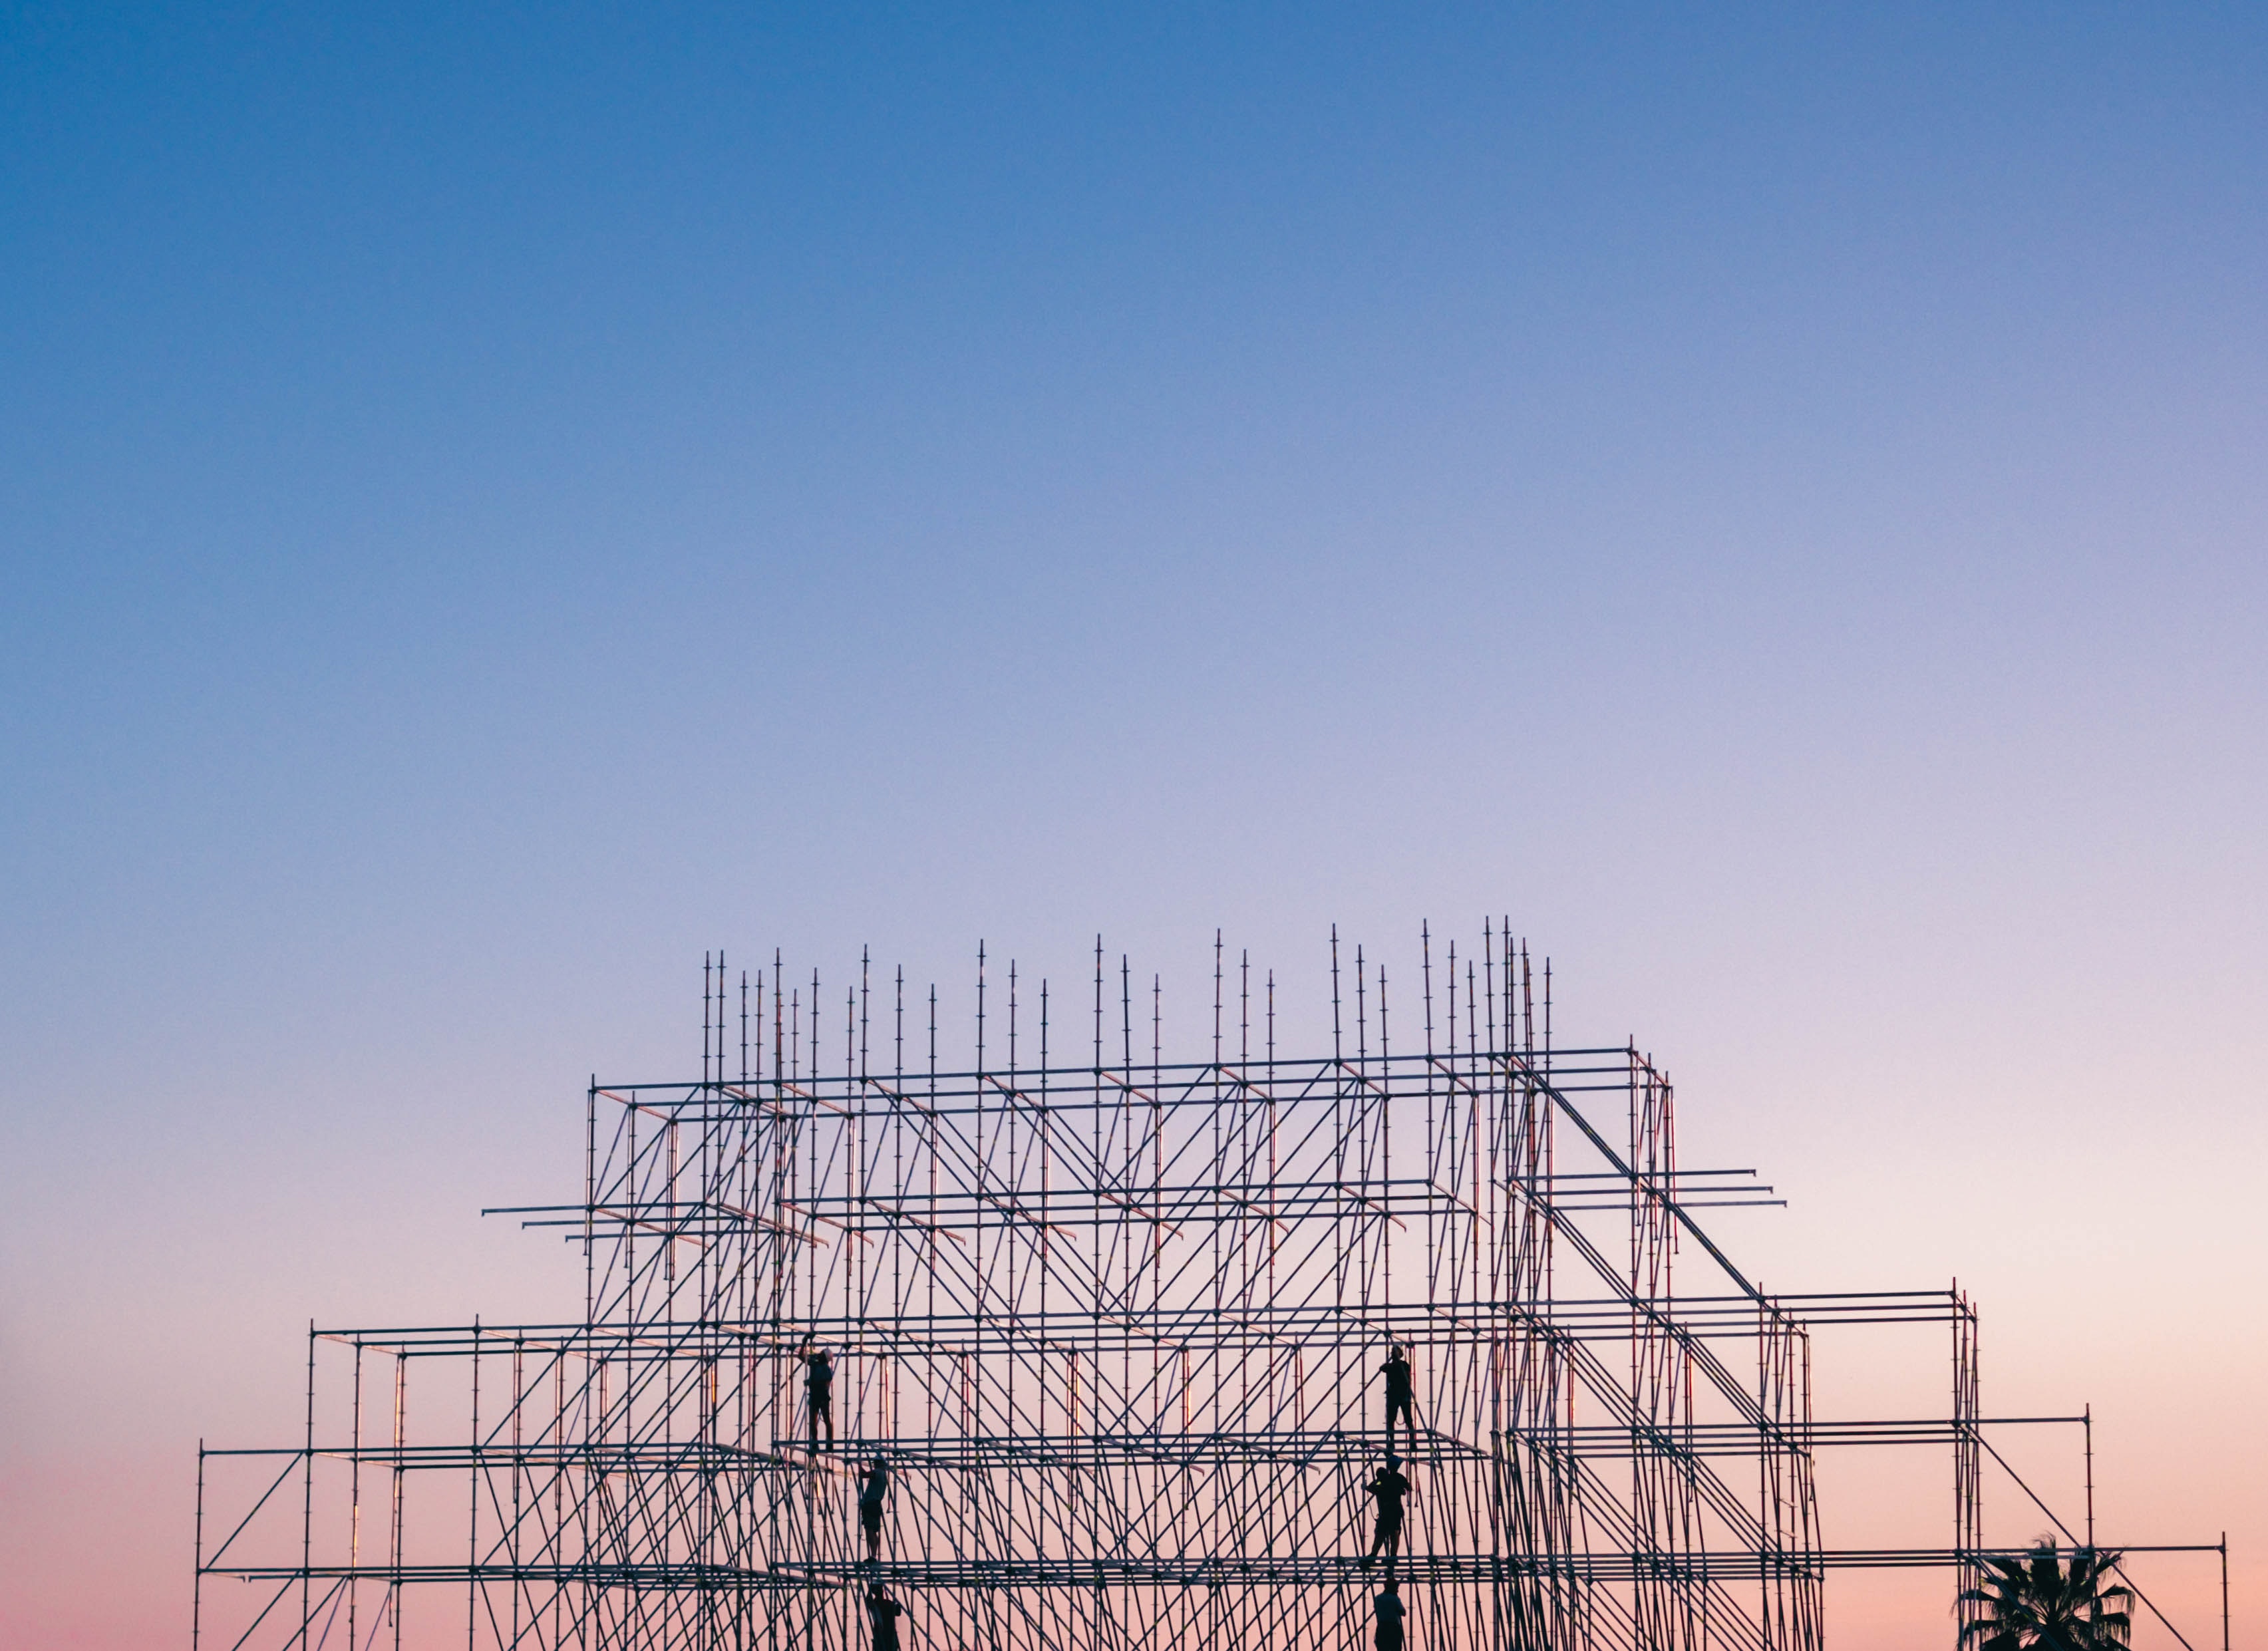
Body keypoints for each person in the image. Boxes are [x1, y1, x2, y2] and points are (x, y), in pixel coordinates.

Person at [1361, 1451, 1410, 1569]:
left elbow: (1373, 1487)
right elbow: (1408, 1488)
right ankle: (1392, 1556)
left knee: (1382, 1533)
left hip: (1389, 1510)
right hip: (1394, 1510)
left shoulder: (1385, 1479)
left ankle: (1375, 1555)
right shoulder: (1396, 1478)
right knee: (1392, 1532)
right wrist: (1400, 1488)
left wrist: (1370, 1487)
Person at [1380, 1343, 1416, 1443]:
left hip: (1402, 1394)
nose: (1393, 1354)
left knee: (1407, 1419)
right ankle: (1393, 1441)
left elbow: (1408, 1379)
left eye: (1394, 1353)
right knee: (1392, 1419)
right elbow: (1382, 1368)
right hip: (1396, 1395)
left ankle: (1411, 1440)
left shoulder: (1403, 1365)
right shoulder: (1393, 1366)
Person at [859, 1455, 891, 1560]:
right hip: (876, 1504)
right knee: (873, 1530)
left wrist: (859, 1464)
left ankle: (873, 1555)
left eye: (876, 1463)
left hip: (871, 1504)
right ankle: (874, 1554)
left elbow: (863, 1475)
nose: (874, 1465)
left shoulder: (878, 1472)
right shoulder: (884, 1475)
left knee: (869, 1529)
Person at [806, 1346, 835, 1447]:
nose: (819, 1354)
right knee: (813, 1421)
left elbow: (825, 1385)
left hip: (822, 1397)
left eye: (822, 1354)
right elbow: (801, 1357)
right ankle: (815, 1442)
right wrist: (804, 1343)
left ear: (825, 1358)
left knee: (826, 1419)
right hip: (815, 1396)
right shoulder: (815, 1365)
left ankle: (830, 1443)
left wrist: (812, 1383)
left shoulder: (826, 1369)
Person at [867, 1582, 903, 1651]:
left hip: (887, 1635)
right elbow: (898, 1612)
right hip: (885, 1635)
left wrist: (870, 1588)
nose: (882, 1591)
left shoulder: (885, 1603)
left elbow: (898, 1613)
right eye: (880, 1589)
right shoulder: (878, 1604)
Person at [1374, 1579, 1406, 1651]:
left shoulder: (1377, 1598)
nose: (1397, 1591)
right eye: (1396, 1588)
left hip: (1381, 1627)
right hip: (1394, 1628)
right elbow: (1403, 1612)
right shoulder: (1395, 1599)